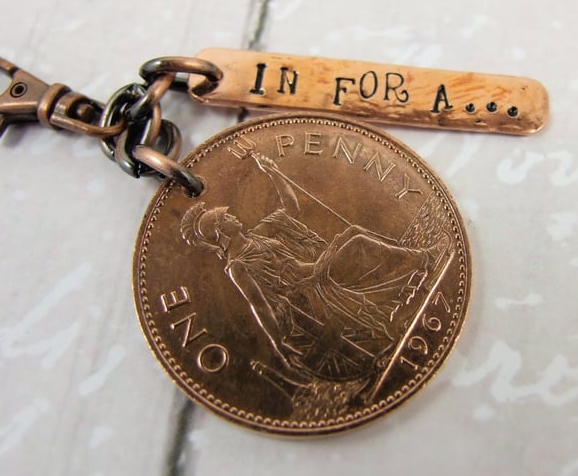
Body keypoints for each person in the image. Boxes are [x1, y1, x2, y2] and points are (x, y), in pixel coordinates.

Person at [181, 152, 444, 381]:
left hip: (316, 270)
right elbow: (260, 306)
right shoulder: (239, 267)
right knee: (358, 241)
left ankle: (415, 263)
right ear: (220, 232)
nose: (231, 216)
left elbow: (290, 207)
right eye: (225, 218)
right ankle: (424, 259)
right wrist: (281, 346)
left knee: (353, 233)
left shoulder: (258, 235)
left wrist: (274, 174)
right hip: (310, 289)